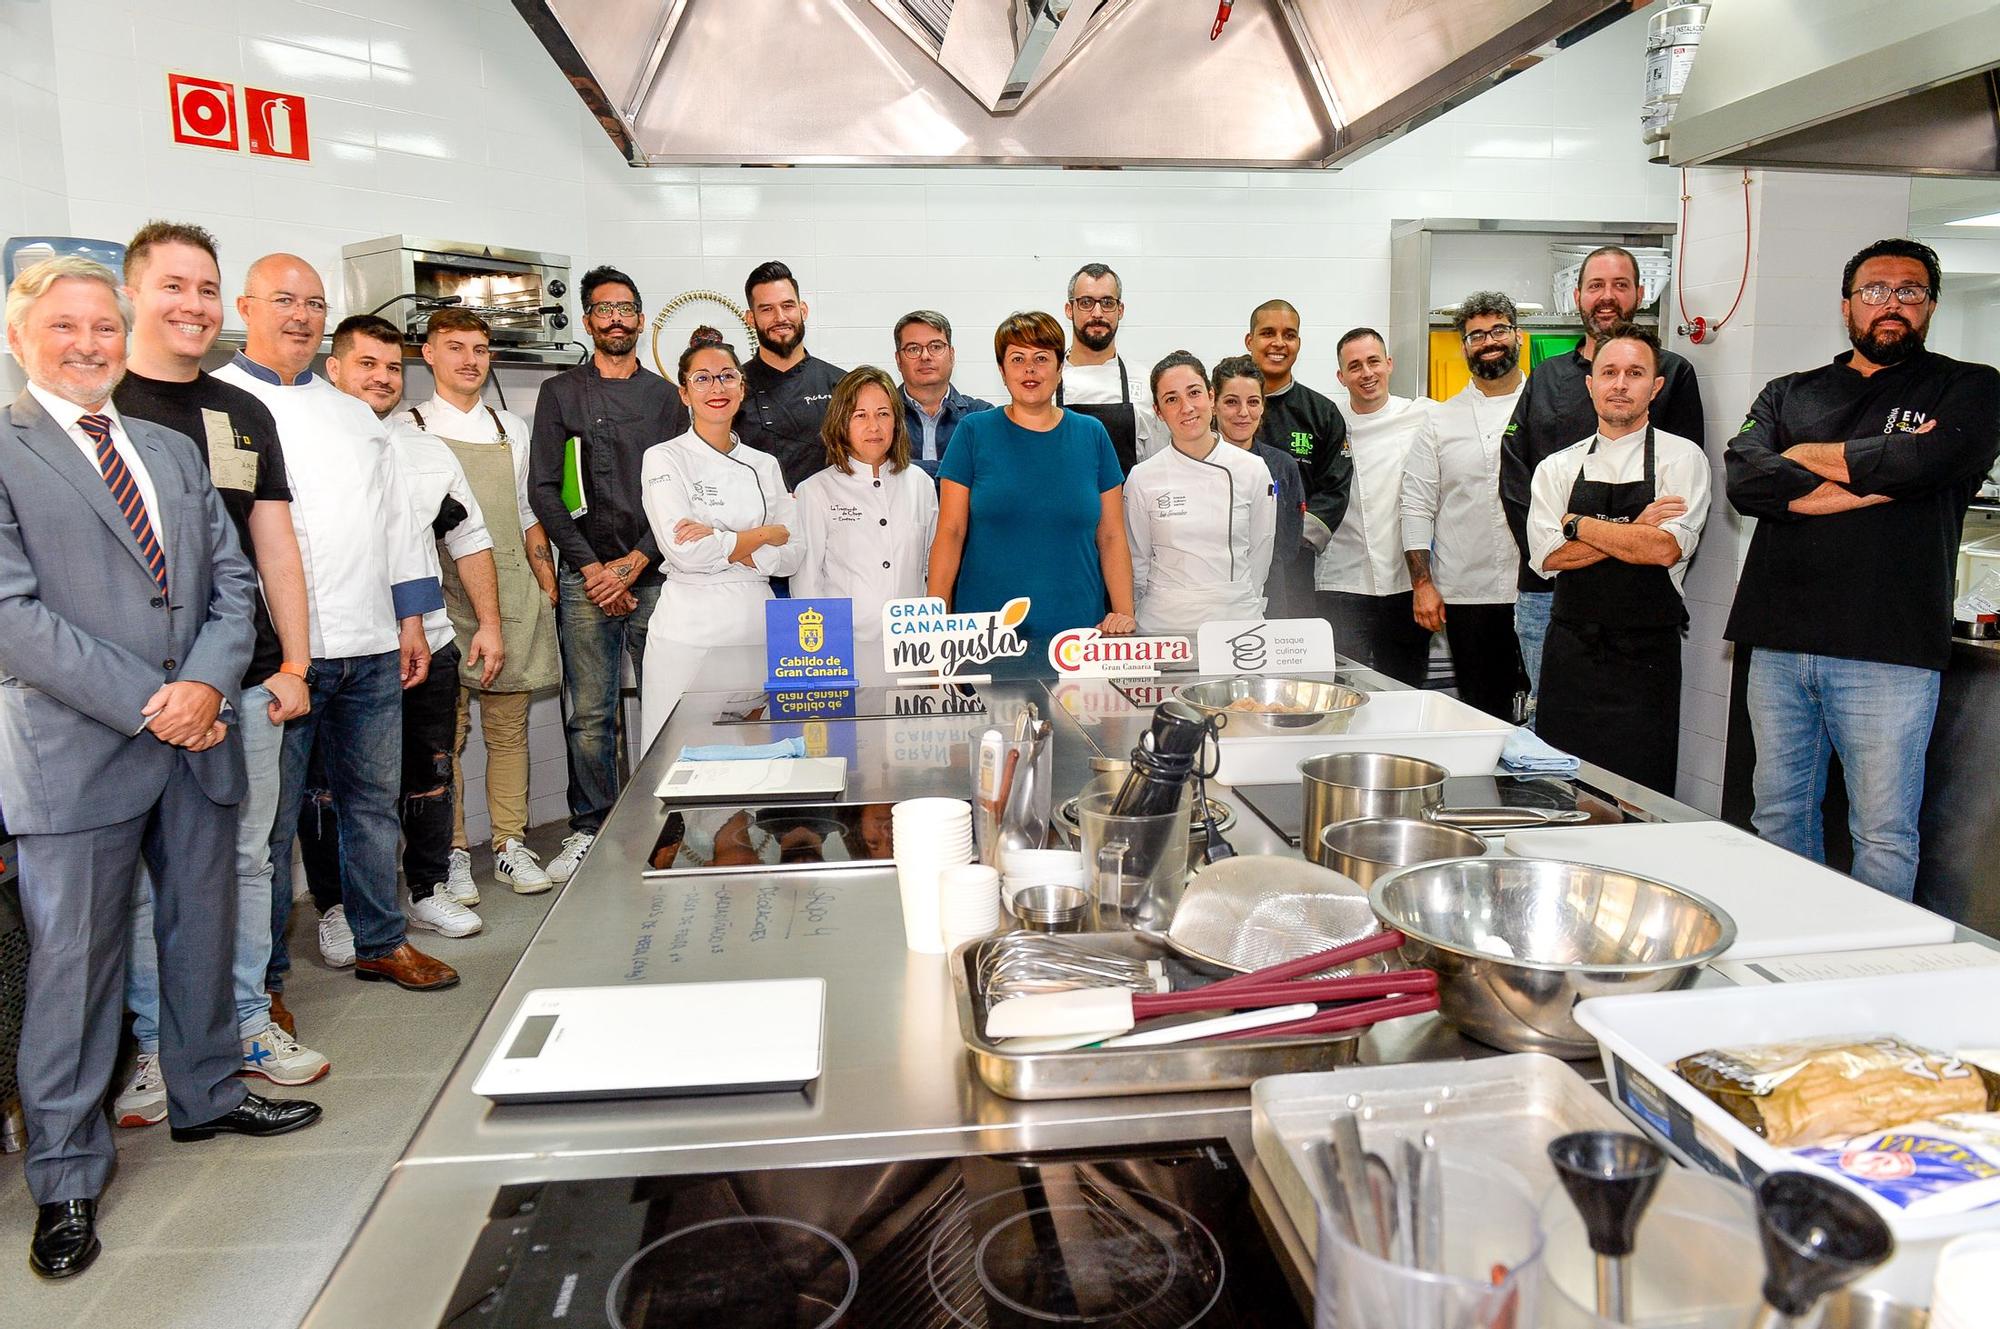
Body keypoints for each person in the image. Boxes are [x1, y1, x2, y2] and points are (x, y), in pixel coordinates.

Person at [1, 257, 321, 1280]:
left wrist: (208, 685)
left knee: (200, 930)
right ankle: (64, 1176)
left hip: (199, 735)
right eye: (65, 327)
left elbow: (234, 583)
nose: (89, 343)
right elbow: (11, 617)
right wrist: (157, 698)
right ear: (21, 338)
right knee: (75, 971)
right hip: (80, 748)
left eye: (103, 325)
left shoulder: (166, 450)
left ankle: (208, 1095)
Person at [110, 222, 325, 1132]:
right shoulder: (102, 403)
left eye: (204, 288)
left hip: (243, 678)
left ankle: (243, 1022)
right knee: (143, 878)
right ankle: (160, 1045)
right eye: (174, 287)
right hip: (130, 693)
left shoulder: (243, 411)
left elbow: (271, 540)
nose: (191, 305)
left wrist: (296, 662)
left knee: (244, 857)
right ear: (133, 294)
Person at [1725, 237, 2000, 900]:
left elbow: (1930, 464)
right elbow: (1744, 478)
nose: (1892, 305)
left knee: (1882, 832)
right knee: (1778, 815)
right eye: (1875, 290)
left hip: (1890, 647)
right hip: (1781, 642)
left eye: (1911, 292)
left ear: (1930, 305)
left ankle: (1869, 972)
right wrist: (1881, 473)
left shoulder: (1971, 387)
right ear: (1846, 305)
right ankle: (1790, 948)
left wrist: (1799, 458)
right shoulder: (1789, 391)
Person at [214, 254, 459, 995]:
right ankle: (264, 985)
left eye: (314, 302)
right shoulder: (216, 402)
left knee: (373, 806)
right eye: (284, 299)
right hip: (276, 658)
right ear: (246, 305)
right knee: (269, 827)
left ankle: (382, 940)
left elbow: (398, 526)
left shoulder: (354, 415)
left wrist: (411, 619)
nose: (300, 314)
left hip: (371, 646)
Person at [310, 315, 505, 944]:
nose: (382, 378)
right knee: (328, 790)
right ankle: (337, 909)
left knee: (430, 773)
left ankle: (426, 888)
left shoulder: (423, 450)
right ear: (333, 369)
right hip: (333, 649)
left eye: (392, 367)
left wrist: (490, 624)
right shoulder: (304, 445)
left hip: (431, 643)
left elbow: (468, 536)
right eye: (366, 364)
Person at [527, 265, 687, 884]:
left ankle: (664, 823)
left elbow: (682, 495)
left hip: (655, 572)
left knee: (665, 703)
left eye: (625, 308)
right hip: (584, 577)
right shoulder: (561, 393)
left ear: (640, 319)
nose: (615, 318)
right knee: (589, 714)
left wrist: (634, 562)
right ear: (588, 320)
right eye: (603, 309)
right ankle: (589, 829)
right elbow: (544, 489)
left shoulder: (667, 398)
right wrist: (594, 568)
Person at [398, 309, 561, 900]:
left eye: (481, 349)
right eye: (456, 347)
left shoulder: (509, 428)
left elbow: (525, 515)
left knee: (508, 728)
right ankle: (454, 850)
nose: (470, 360)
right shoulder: (405, 428)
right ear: (429, 355)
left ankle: (510, 844)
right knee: (448, 732)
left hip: (510, 592)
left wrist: (543, 586)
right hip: (441, 598)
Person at [1500, 246, 1705, 709]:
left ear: (1641, 293)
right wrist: (1556, 543)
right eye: (1596, 286)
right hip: (1548, 593)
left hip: (1642, 600)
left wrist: (1575, 528)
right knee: (1550, 729)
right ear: (1578, 296)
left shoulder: (1675, 372)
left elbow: (1675, 513)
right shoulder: (1547, 377)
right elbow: (1517, 480)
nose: (1607, 296)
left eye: (1620, 285)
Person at [1526, 324, 1709, 793]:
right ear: (1591, 383)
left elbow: (1665, 547)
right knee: (1560, 788)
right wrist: (1636, 527)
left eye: (1635, 373)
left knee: (1639, 792)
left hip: (1646, 660)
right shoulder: (1557, 467)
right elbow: (1549, 558)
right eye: (1609, 372)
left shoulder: (1682, 458)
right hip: (1571, 654)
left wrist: (1579, 524)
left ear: (1656, 386)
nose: (1620, 384)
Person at [639, 328, 804, 746]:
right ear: (684, 393)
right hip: (690, 634)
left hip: (755, 629)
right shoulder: (663, 458)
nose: (717, 387)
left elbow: (794, 553)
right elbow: (687, 552)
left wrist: (723, 539)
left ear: (742, 387)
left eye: (728, 376)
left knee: (754, 770)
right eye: (703, 378)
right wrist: (763, 535)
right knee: (679, 765)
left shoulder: (764, 464)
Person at [929, 311, 1136, 644]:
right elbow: (951, 532)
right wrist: (934, 622)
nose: (1030, 369)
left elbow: (1111, 535)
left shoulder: (1092, 435)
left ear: (1059, 368)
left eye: (1041, 358)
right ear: (1002, 370)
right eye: (1017, 358)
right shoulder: (973, 432)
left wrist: (1124, 615)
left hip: (1079, 633)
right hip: (986, 635)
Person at [1402, 293, 1530, 721]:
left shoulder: (1549, 408)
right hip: (1467, 594)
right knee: (1484, 714)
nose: (1489, 341)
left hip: (1542, 588)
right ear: (1463, 347)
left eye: (1498, 330)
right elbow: (1416, 505)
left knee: (1549, 711)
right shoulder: (1439, 420)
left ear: (1519, 337)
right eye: (1476, 334)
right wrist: (1422, 583)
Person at [1123, 351, 1275, 633]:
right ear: (1158, 411)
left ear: (1211, 396)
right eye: (1171, 399)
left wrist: (1238, 597)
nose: (1186, 407)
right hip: (1163, 625)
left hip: (1236, 623)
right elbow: (1137, 562)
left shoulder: (1253, 470)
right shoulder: (1142, 478)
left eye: (1194, 393)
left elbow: (1260, 550)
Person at [794, 365, 939, 638]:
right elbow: (806, 585)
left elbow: (933, 569)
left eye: (883, 414)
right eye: (860, 415)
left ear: (896, 420)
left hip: (910, 646)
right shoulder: (815, 490)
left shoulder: (920, 483)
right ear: (841, 422)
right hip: (845, 647)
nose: (874, 426)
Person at [1323, 328, 1431, 684]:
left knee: (1404, 688)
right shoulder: (1328, 422)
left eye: (1373, 362)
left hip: (1404, 583)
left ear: (1389, 364)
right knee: (1342, 689)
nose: (1366, 373)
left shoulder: (1423, 414)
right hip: (1341, 581)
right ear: (1341, 377)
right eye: (1354, 366)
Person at [1247, 298, 1351, 580]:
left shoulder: (1321, 413)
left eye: (1289, 335)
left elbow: (1334, 489)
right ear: (1249, 340)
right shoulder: (1220, 408)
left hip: (1294, 566)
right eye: (1268, 333)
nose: (1279, 343)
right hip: (1229, 558)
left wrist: (1289, 540)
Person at [1213, 354, 1310, 619]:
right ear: (1213, 404)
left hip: (1270, 597)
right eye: (1231, 402)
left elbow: (1289, 542)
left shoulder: (1281, 466)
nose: (1243, 413)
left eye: (1253, 402)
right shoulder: (1195, 464)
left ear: (1263, 406)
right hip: (1207, 599)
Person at [738, 260, 847, 491]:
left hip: (833, 518)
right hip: (761, 523)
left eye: (787, 306)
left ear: (803, 310)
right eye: (767, 309)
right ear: (750, 318)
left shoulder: (841, 385)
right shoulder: (734, 388)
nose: (780, 317)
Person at [1056, 262, 1158, 475]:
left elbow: (1157, 465)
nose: (1097, 312)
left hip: (1127, 506)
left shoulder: (1145, 380)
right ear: (1069, 309)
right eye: (1085, 302)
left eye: (1107, 302)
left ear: (1120, 310)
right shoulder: (1048, 380)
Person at [894, 310, 993, 476]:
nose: (925, 356)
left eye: (936, 347)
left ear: (952, 355)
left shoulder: (982, 416)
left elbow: (988, 475)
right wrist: (959, 470)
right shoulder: (880, 416)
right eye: (913, 349)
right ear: (898, 360)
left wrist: (904, 469)